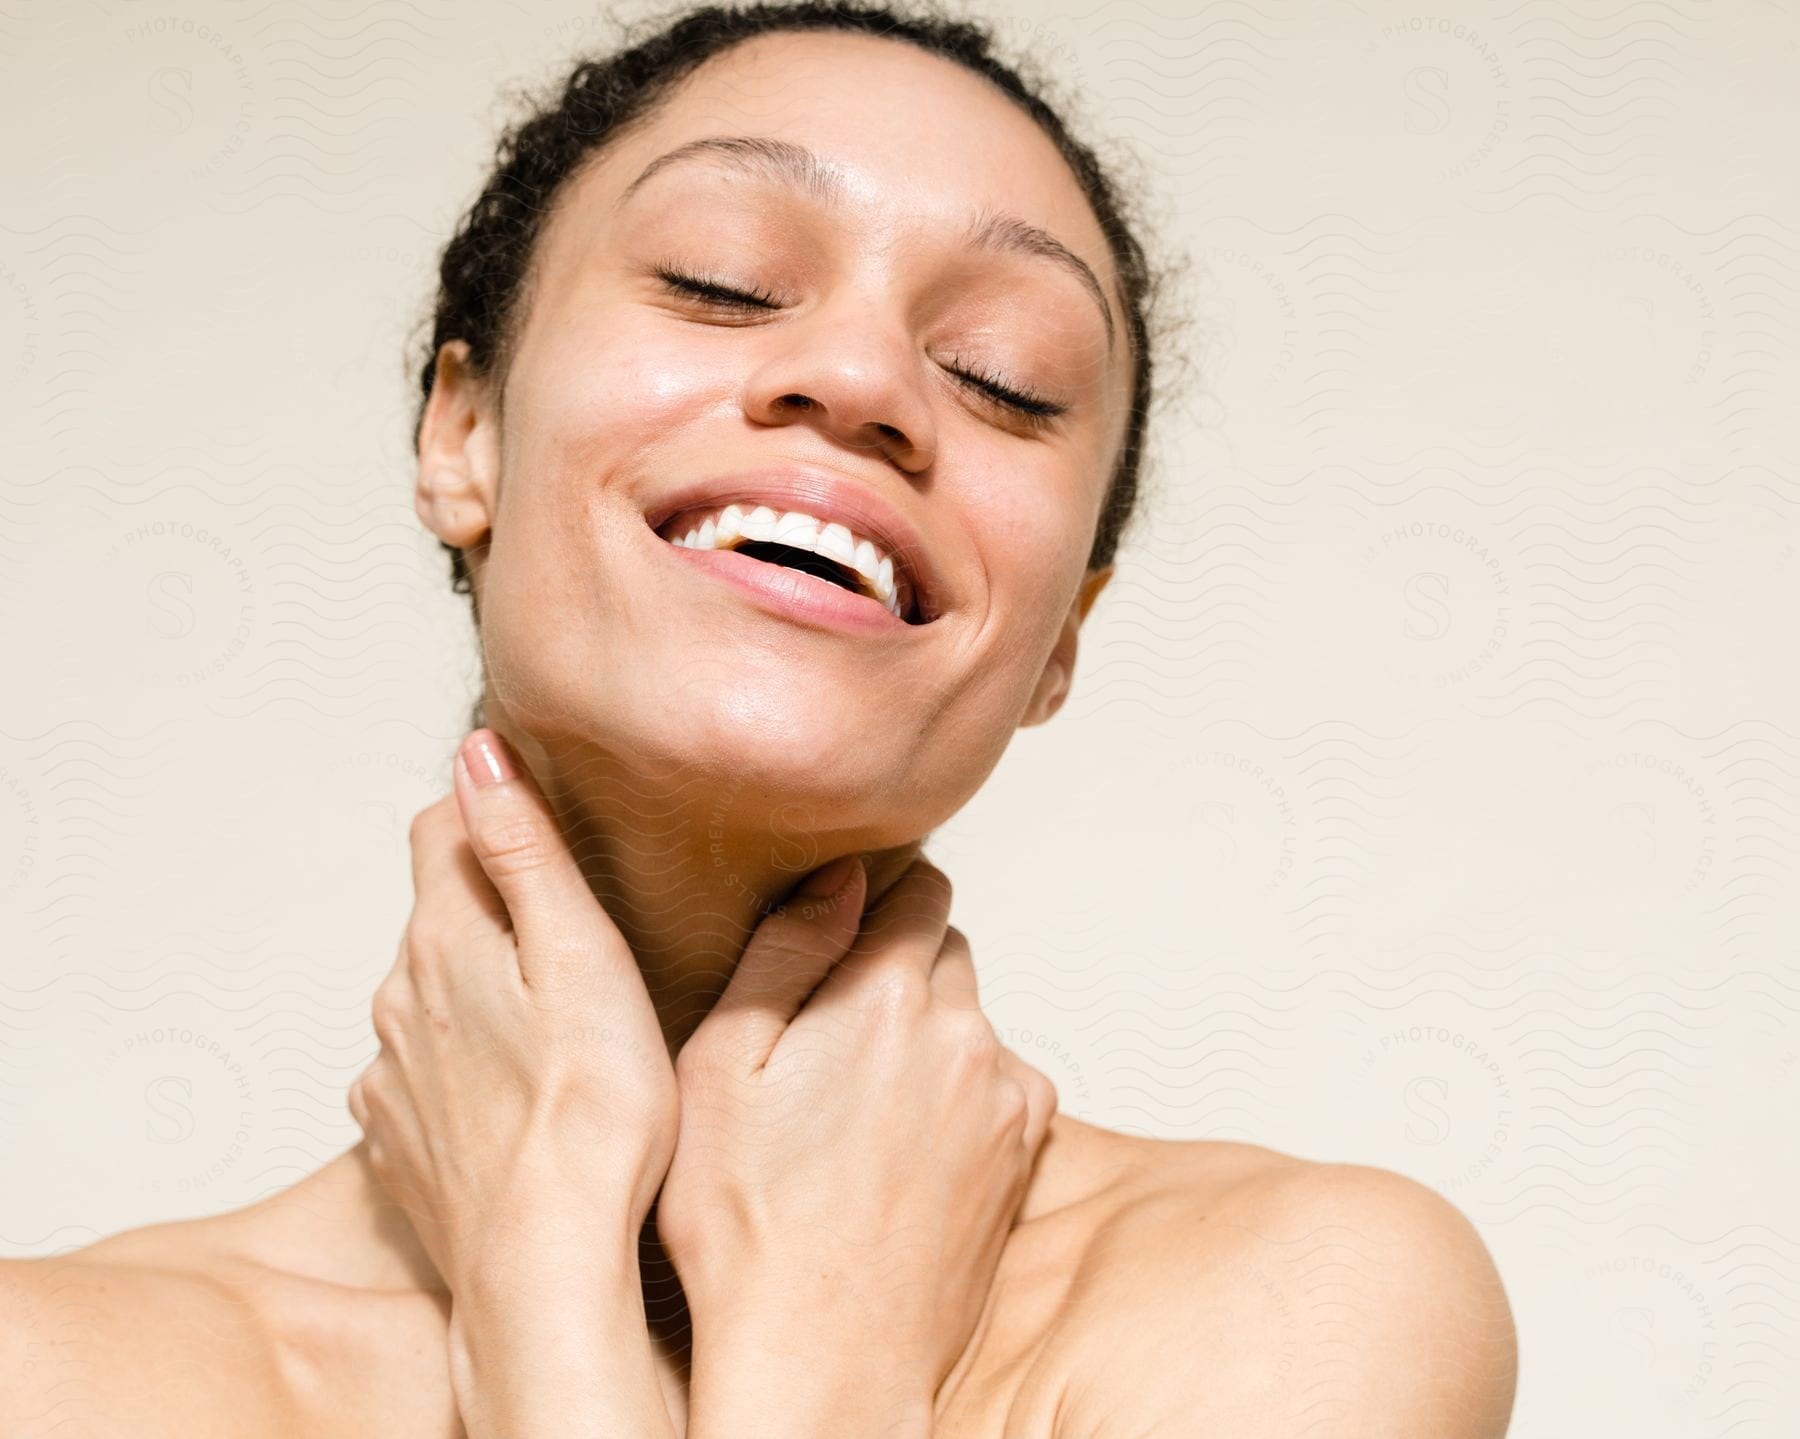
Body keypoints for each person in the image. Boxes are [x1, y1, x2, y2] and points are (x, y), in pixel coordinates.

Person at [0, 3, 1519, 1434]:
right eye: (719, 281)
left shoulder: (1305, 1303)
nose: (860, 380)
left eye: (1005, 377)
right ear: (463, 432)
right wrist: (559, 1274)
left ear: (1064, 635)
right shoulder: (54, 1377)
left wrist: (690, 1334)